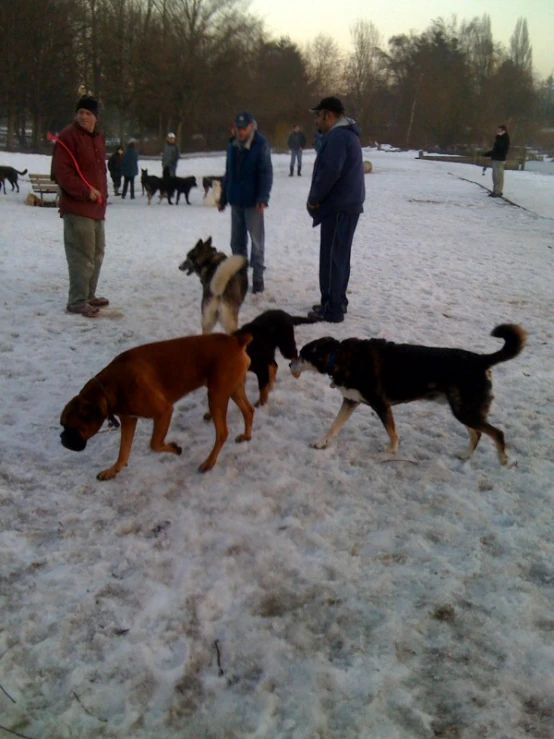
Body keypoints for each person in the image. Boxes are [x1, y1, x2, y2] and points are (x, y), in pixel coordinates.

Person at [306, 96, 365, 323]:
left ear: (328, 115)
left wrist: (314, 199)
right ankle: (337, 300)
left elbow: (329, 173)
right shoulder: (346, 135)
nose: (317, 121)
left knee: (333, 257)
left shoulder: (338, 137)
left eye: (318, 116)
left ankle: (331, 309)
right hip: (348, 205)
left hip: (339, 206)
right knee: (340, 255)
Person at [52, 95, 109, 317]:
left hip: (97, 209)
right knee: (81, 256)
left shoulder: (98, 138)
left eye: (88, 113)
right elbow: (62, 173)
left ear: (95, 117)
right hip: (77, 208)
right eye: (81, 112)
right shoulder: (68, 137)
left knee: (97, 254)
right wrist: (86, 191)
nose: (84, 117)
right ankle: (76, 301)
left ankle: (88, 295)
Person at [218, 111, 273, 294]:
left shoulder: (260, 144)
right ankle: (240, 276)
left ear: (251, 126)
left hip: (253, 202)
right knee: (236, 242)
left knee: (256, 242)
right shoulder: (233, 144)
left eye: (243, 128)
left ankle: (258, 277)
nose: (240, 132)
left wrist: (263, 198)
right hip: (236, 200)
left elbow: (266, 173)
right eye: (238, 128)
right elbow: (229, 172)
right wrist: (224, 197)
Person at [482, 124, 510, 198]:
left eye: (499, 130)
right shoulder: (499, 138)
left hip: (500, 160)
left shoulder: (504, 138)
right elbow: (495, 149)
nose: (498, 131)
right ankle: (495, 190)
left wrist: (492, 154)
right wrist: (488, 154)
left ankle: (498, 191)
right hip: (495, 159)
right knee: (495, 176)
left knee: (499, 176)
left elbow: (501, 149)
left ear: (503, 130)